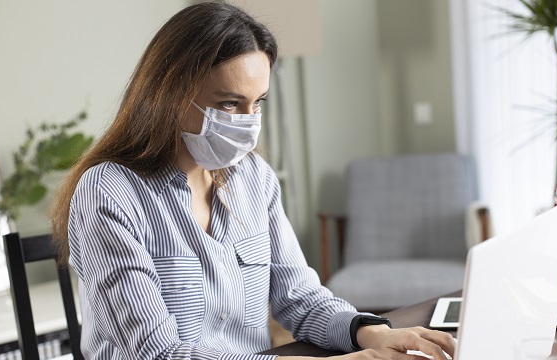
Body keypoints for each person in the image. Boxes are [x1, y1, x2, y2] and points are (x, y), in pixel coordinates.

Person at [49, 2, 456, 359]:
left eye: (257, 102)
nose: (247, 123)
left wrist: (373, 334)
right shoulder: (108, 191)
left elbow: (299, 296)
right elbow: (159, 353)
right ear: (168, 95)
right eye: (229, 103)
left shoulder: (254, 179)